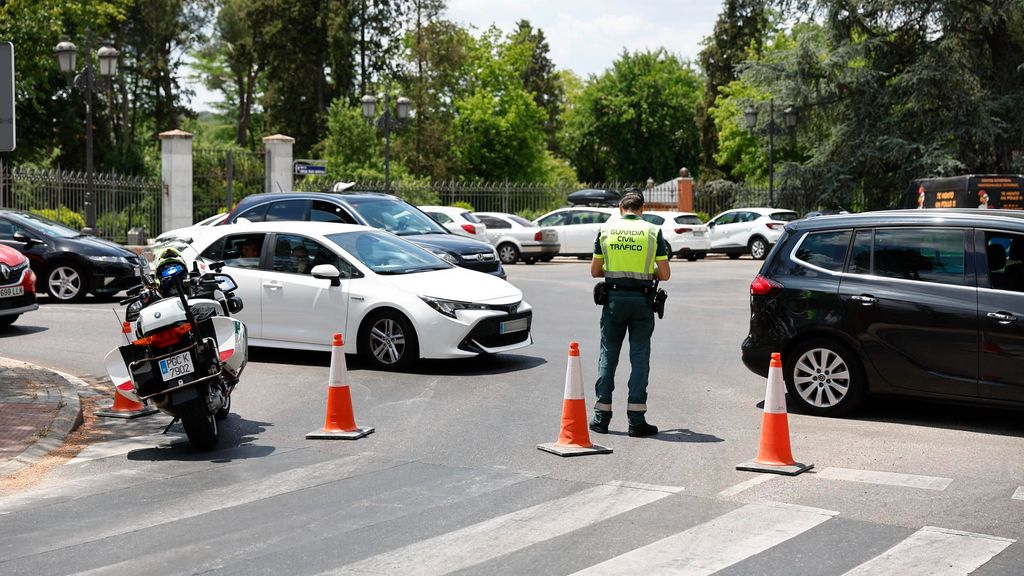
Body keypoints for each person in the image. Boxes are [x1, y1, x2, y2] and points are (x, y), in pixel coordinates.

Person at [589, 192, 671, 437]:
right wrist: (648, 271)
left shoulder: (605, 231)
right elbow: (665, 274)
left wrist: (616, 268)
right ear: (642, 208)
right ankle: (636, 420)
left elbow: (595, 271)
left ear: (620, 207)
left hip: (613, 300)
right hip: (642, 303)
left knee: (608, 356)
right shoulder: (653, 231)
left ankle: (601, 418)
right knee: (639, 358)